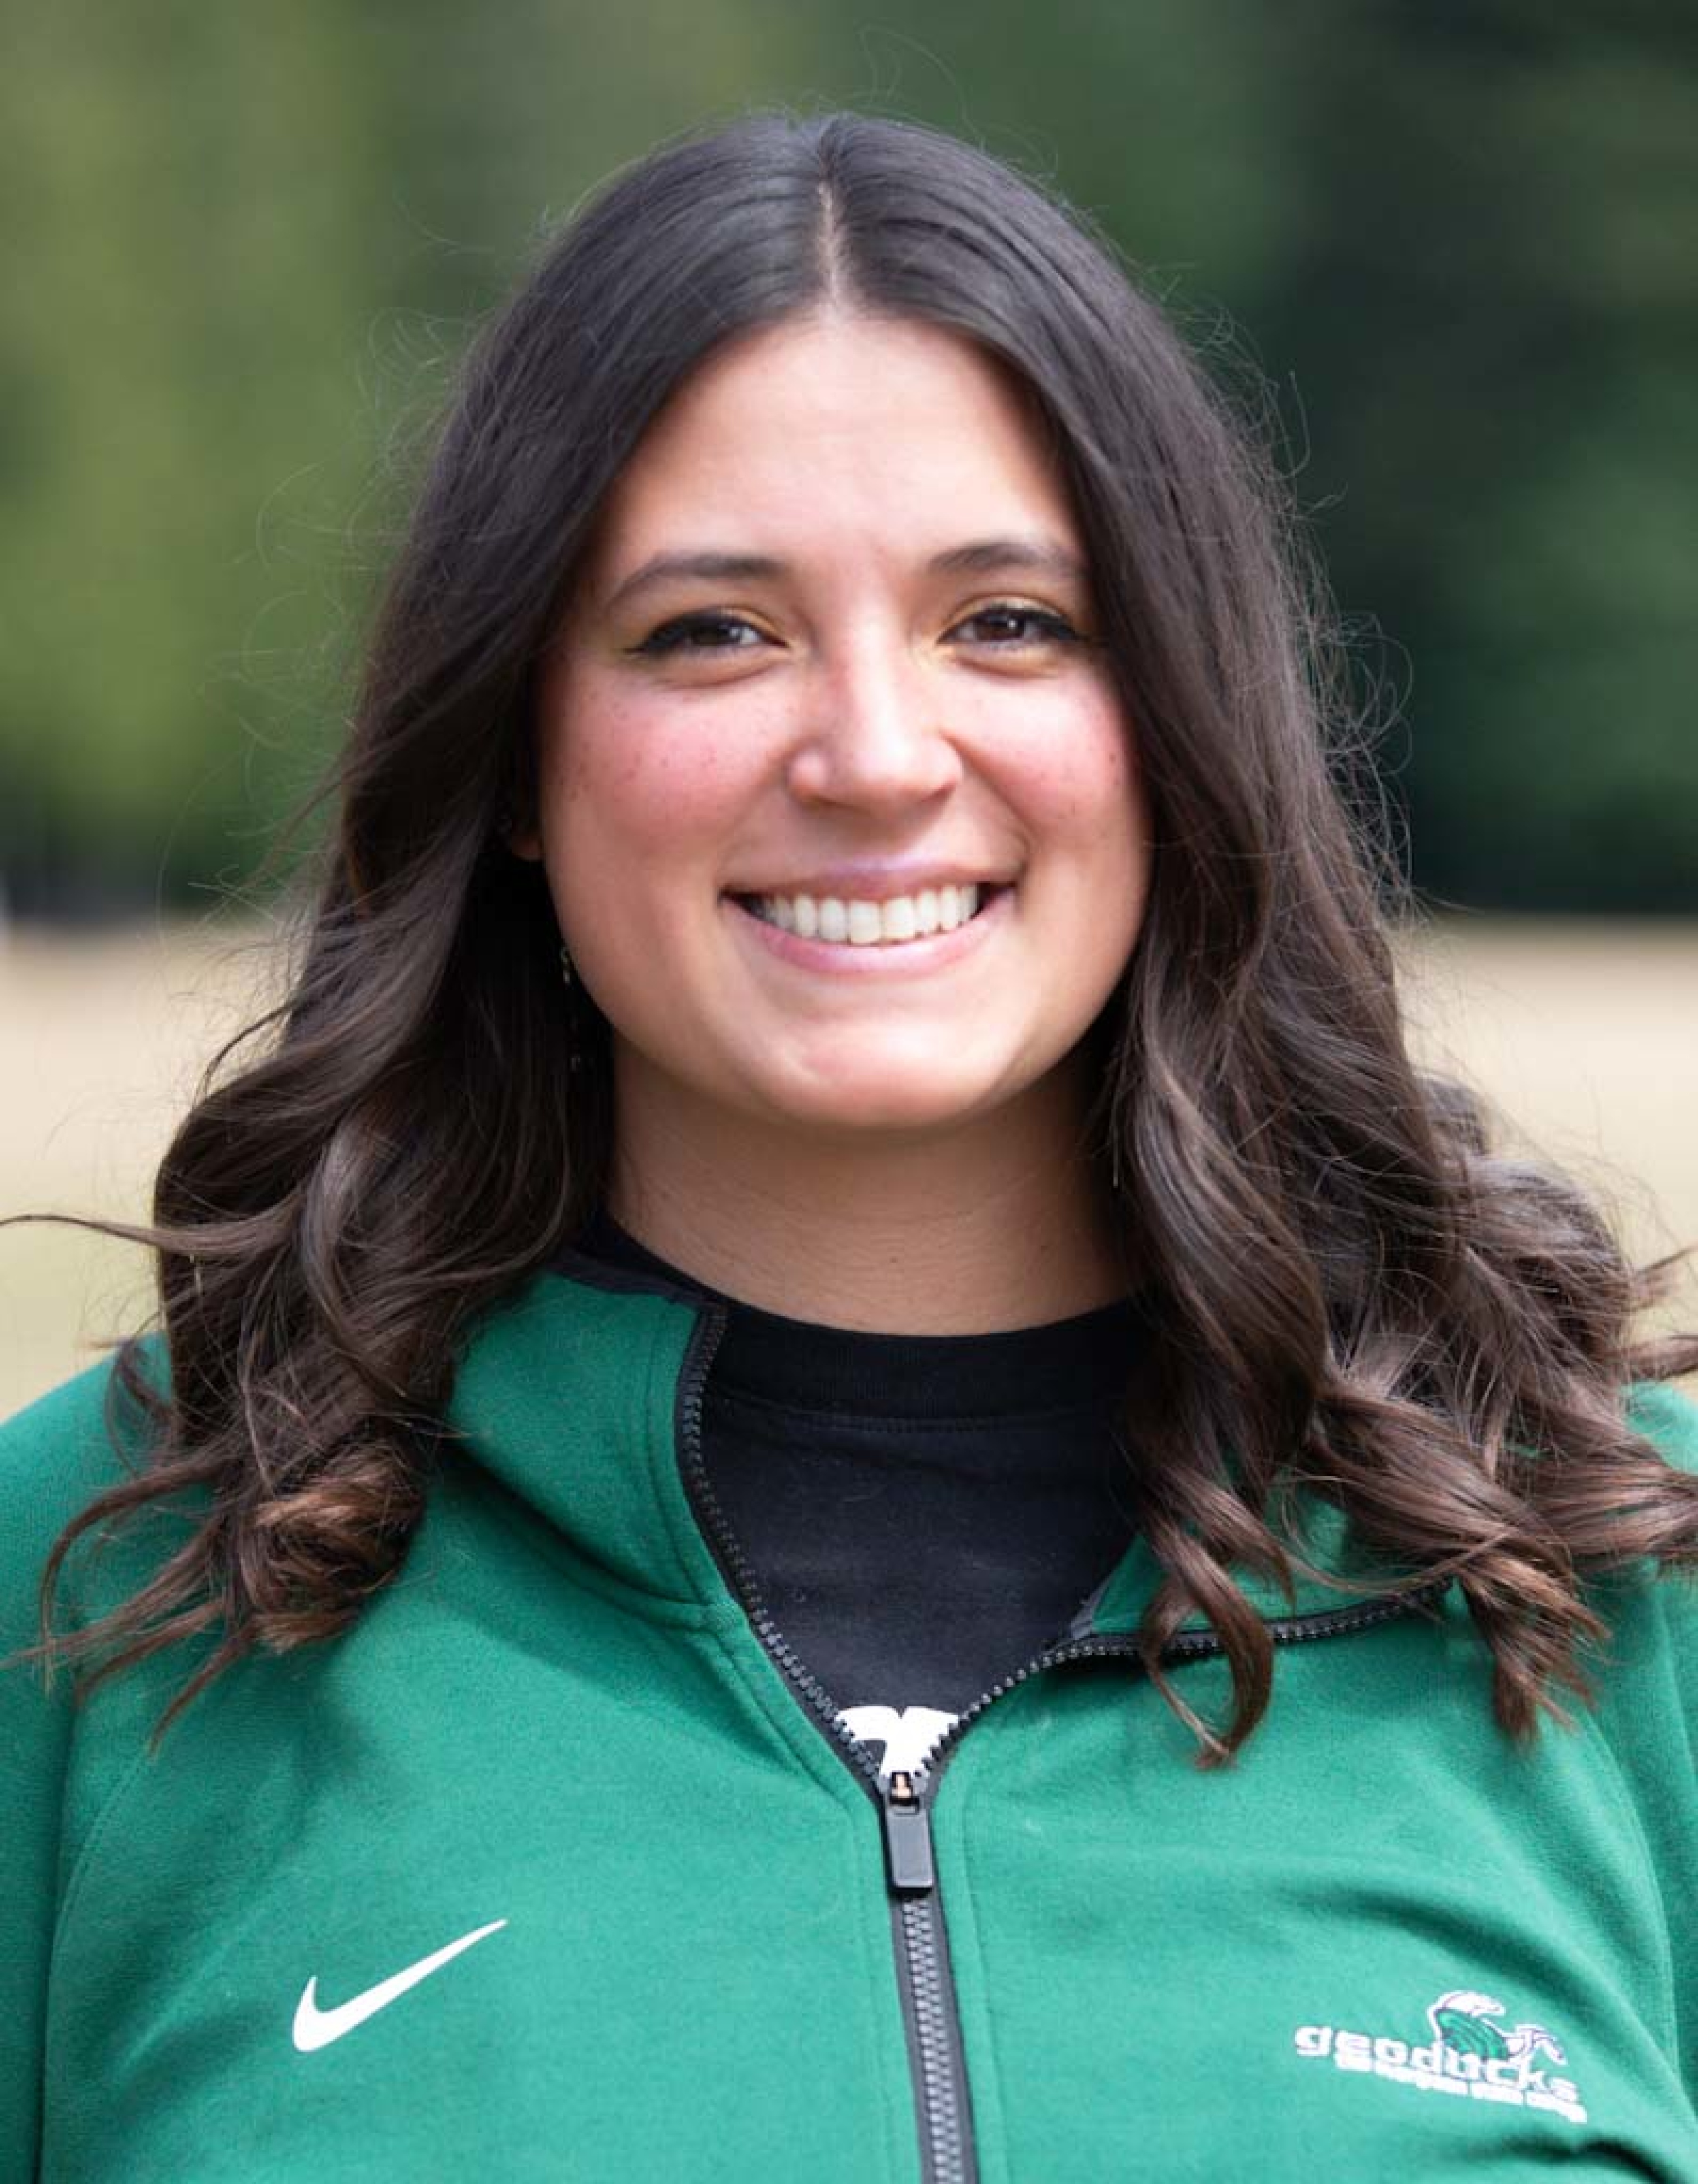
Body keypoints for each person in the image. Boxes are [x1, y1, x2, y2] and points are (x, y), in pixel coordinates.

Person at [3, 109, 1695, 2183]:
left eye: (1009, 622)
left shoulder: (1622, 1582)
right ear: (515, 754)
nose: (878, 757)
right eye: (713, 630)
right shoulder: (83, 1588)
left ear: (1178, 720)